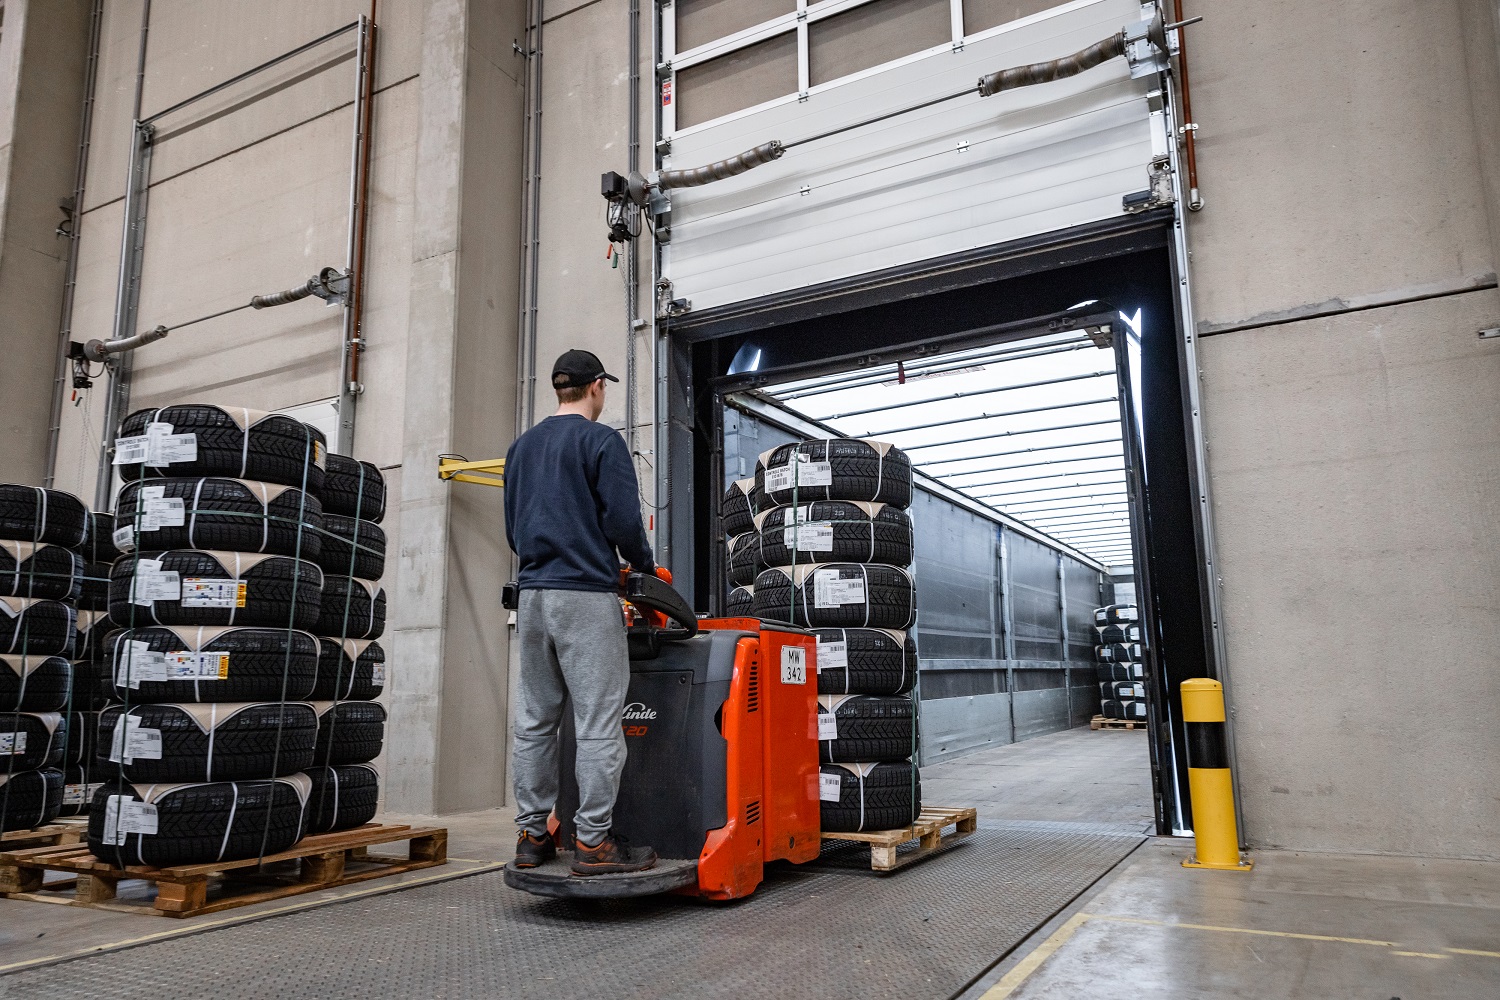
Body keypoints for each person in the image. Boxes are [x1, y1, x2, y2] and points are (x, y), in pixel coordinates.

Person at [504, 349, 659, 876]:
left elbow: (513, 529)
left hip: (531, 598)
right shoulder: (600, 441)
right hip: (585, 598)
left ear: (557, 390)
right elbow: (621, 520)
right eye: (604, 388)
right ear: (596, 387)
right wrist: (645, 566)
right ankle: (592, 842)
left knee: (534, 721)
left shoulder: (521, 448)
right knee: (596, 722)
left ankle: (531, 835)